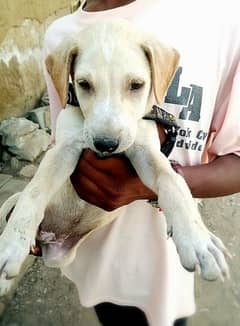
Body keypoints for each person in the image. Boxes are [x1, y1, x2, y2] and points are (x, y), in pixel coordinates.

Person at [42, 0, 240, 325]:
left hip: (169, 263)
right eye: (86, 85)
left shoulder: (223, 20)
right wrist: (45, 214)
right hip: (95, 254)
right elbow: (63, 145)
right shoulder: (61, 38)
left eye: (136, 86)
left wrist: (147, 185)